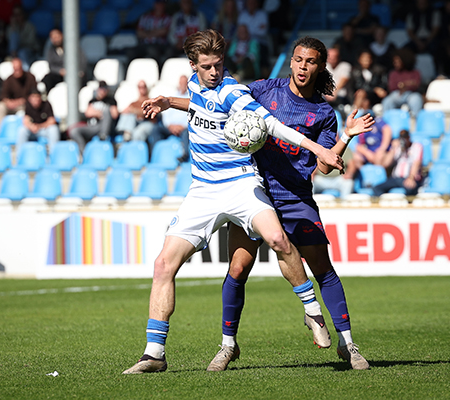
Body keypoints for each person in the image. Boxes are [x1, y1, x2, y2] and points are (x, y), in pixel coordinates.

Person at [122, 29, 346, 375]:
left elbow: (273, 125)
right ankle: (154, 354)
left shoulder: (234, 91)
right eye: (207, 67)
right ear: (193, 66)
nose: (215, 72)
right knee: (163, 265)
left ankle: (312, 311)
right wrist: (168, 102)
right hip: (203, 190)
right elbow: (201, 104)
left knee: (277, 239)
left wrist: (320, 150)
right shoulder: (196, 87)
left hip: (241, 183)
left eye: (219, 65)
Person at [207, 36, 374, 372]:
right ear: (291, 61)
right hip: (253, 193)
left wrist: (346, 136)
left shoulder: (323, 113)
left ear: (320, 66)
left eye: (310, 61)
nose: (302, 66)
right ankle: (227, 346)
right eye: (298, 59)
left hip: (295, 197)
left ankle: (348, 343)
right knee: (238, 269)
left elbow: (324, 166)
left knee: (322, 268)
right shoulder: (264, 90)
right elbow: (221, 101)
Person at [147, 75, 190, 159]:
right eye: (181, 83)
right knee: (156, 129)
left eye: (184, 83)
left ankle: (185, 155)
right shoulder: (173, 97)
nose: (183, 85)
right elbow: (166, 115)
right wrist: (170, 126)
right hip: (170, 127)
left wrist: (182, 126)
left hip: (183, 128)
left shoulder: (190, 98)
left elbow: (191, 115)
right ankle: (154, 154)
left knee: (187, 133)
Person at [69, 81, 119, 154]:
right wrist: (100, 113)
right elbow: (88, 113)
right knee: (74, 131)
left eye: (104, 90)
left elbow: (114, 114)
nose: (102, 92)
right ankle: (84, 153)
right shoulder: (92, 101)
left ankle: (103, 137)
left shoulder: (111, 100)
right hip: (92, 126)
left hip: (105, 127)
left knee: (106, 111)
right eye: (101, 89)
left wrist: (98, 112)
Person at [372, 129, 423, 197]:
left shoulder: (416, 147)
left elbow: (417, 163)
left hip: (409, 178)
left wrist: (411, 178)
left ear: (409, 137)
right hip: (396, 178)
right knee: (377, 188)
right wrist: (393, 149)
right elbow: (386, 164)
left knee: (410, 189)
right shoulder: (398, 148)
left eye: (405, 138)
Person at [344, 111, 392, 180]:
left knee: (379, 157)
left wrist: (382, 149)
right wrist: (367, 153)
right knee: (356, 157)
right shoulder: (361, 126)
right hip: (368, 152)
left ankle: (377, 179)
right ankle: (365, 178)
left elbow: (387, 130)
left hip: (380, 151)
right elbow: (357, 145)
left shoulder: (379, 122)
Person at [115, 80, 160, 147]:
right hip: (136, 123)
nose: (142, 89)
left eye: (143, 86)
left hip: (149, 123)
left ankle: (129, 144)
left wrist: (133, 111)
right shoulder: (134, 103)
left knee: (137, 133)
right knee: (128, 116)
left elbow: (145, 113)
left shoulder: (150, 101)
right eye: (140, 87)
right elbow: (124, 111)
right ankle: (126, 133)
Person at [381, 48, 424, 118]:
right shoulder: (393, 73)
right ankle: (388, 120)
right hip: (397, 94)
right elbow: (392, 87)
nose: (395, 64)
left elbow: (416, 85)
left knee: (416, 99)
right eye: (394, 62)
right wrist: (407, 84)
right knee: (387, 101)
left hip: (411, 94)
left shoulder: (415, 72)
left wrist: (404, 85)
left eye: (398, 62)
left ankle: (415, 119)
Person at [41, 28, 87, 94]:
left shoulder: (73, 47)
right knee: (48, 79)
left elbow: (83, 60)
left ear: (62, 36)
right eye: (53, 38)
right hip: (60, 74)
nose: (56, 39)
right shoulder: (50, 50)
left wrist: (78, 71)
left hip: (74, 73)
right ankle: (48, 96)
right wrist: (60, 71)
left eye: (57, 37)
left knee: (80, 79)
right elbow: (51, 65)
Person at [127, 0, 171, 68]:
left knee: (153, 51)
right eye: (158, 4)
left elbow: (164, 31)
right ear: (154, 5)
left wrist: (147, 32)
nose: (160, 6)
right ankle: (129, 71)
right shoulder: (145, 17)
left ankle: (158, 71)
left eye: (161, 4)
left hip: (160, 45)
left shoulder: (167, 18)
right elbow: (139, 33)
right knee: (131, 52)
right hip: (144, 44)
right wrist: (155, 32)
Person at [0, 57, 37, 126]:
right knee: (0, 106)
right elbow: (3, 95)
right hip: (11, 105)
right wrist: (8, 102)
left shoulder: (30, 77)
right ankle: (0, 129)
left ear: (22, 67)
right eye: (15, 69)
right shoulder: (9, 79)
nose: (17, 71)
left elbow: (34, 94)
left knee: (24, 110)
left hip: (24, 104)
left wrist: (20, 101)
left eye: (18, 68)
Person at [16, 89, 59, 154]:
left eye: (37, 97)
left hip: (44, 129)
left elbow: (52, 120)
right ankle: (20, 155)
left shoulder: (46, 104)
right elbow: (26, 120)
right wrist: (31, 126)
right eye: (33, 97)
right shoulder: (28, 105)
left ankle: (54, 154)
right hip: (32, 131)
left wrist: (39, 126)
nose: (35, 99)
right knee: (22, 130)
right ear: (29, 98)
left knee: (53, 129)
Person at [237, 0, 269, 76]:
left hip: (260, 43)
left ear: (257, 3)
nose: (251, 4)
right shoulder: (243, 15)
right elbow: (240, 31)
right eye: (249, 3)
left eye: (253, 2)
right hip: (244, 42)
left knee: (257, 54)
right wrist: (257, 28)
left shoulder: (262, 14)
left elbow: (263, 32)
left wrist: (247, 31)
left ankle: (263, 71)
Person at [7, 5, 39, 69]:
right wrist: (14, 28)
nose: (17, 17)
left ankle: (25, 70)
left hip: (30, 50)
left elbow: (31, 42)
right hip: (15, 51)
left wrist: (18, 42)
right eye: (15, 15)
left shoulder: (30, 26)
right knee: (14, 35)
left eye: (19, 14)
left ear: (23, 15)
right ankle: (14, 56)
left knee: (22, 52)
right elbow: (9, 40)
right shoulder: (11, 28)